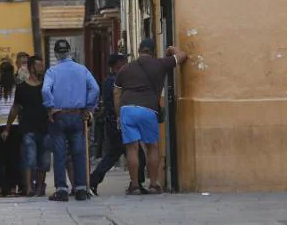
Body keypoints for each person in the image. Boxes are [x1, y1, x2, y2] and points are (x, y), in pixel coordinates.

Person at [114, 39, 188, 195]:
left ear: (139, 50)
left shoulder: (125, 69)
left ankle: (134, 185)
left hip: (127, 109)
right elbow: (182, 56)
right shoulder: (160, 64)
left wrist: (118, 115)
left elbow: (116, 93)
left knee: (132, 147)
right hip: (148, 109)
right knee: (152, 147)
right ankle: (154, 184)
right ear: (153, 52)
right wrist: (172, 49)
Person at [42, 39, 99, 202]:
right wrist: (89, 107)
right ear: (69, 52)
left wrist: (50, 106)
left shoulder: (52, 72)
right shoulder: (82, 70)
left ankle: (61, 190)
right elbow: (95, 88)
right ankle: (81, 189)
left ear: (55, 54)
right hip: (77, 115)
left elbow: (46, 90)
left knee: (60, 153)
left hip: (59, 116)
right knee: (79, 153)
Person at [90, 53, 146, 195]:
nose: (127, 62)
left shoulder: (112, 79)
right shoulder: (115, 81)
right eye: (124, 60)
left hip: (117, 122)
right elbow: (117, 102)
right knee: (131, 155)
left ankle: (135, 183)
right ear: (118, 64)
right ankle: (136, 183)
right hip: (118, 123)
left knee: (116, 155)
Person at [3, 55, 49, 196]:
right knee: (29, 158)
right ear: (31, 68)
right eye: (38, 65)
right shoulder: (22, 88)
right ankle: (28, 187)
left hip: (45, 128)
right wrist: (7, 127)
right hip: (28, 128)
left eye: (42, 65)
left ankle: (40, 187)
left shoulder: (45, 87)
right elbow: (15, 108)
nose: (41, 68)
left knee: (44, 160)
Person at [0, 60, 21, 197]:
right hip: (15, 124)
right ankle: (13, 188)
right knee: (14, 157)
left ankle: (0, 188)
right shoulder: (17, 86)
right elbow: (18, 106)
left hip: (0, 125)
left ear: (1, 72)